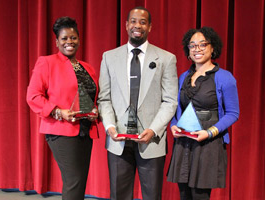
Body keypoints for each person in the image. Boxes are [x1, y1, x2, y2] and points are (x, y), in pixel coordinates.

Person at [97, 6, 178, 200]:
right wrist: (109, 126)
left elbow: (170, 101)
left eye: (143, 22)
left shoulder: (166, 59)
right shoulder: (109, 57)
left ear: (150, 27)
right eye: (133, 21)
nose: (137, 25)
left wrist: (153, 129)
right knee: (119, 195)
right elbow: (104, 98)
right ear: (126, 25)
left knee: (152, 196)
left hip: (151, 140)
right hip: (118, 141)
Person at [26, 16, 99, 200]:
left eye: (73, 38)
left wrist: (94, 111)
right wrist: (58, 111)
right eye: (64, 38)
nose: (69, 42)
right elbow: (33, 96)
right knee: (74, 180)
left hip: (84, 130)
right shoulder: (47, 62)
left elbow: (90, 97)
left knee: (79, 182)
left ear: (79, 40)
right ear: (57, 42)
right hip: (60, 131)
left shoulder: (87, 68)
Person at [167, 27, 239, 200]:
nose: (197, 49)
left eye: (202, 44)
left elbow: (233, 113)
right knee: (184, 194)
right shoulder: (184, 76)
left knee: (200, 196)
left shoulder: (224, 77)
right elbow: (178, 108)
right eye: (192, 45)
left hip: (208, 143)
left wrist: (209, 132)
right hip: (184, 142)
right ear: (188, 50)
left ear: (212, 48)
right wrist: (173, 125)